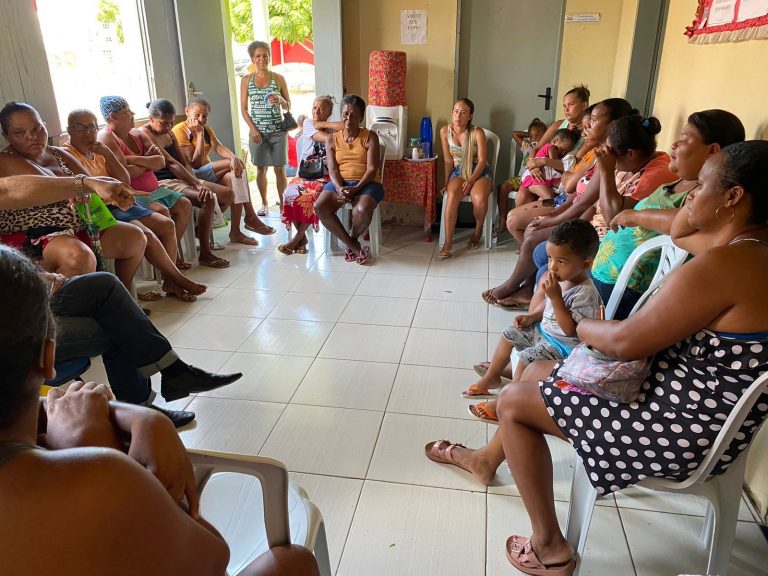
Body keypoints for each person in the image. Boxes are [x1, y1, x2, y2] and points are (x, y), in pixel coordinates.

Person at [428, 140, 768, 576]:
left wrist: (578, 326)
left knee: (513, 400)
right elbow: (683, 233)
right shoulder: (751, 252)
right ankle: (485, 460)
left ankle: (550, 548)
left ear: (734, 196)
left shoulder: (724, 266)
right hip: (701, 420)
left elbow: (624, 343)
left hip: (671, 428)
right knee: (539, 370)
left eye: (700, 185)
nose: (688, 196)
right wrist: (701, 203)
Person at [0, 246, 320, 575]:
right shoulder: (100, 476)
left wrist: (138, 415)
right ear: (48, 357)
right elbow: (211, 557)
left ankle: (159, 386)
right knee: (294, 562)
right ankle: (173, 375)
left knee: (105, 288)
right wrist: (99, 445)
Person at [483, 100, 674, 310]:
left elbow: (612, 218)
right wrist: (554, 217)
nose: (587, 127)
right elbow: (580, 196)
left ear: (629, 153)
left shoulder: (650, 172)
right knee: (539, 251)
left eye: (594, 120)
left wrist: (606, 171)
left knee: (543, 264)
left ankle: (539, 305)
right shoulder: (612, 156)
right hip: (590, 225)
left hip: (606, 240)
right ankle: (531, 296)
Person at [592, 109, 745, 318]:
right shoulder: (675, 183)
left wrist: (636, 216)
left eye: (685, 139)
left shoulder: (703, 197)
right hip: (606, 275)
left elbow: (686, 219)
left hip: (626, 289)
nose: (673, 144)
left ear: (712, 151)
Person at [0, 102, 146, 290]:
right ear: (6, 136)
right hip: (35, 233)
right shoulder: (5, 160)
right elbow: (51, 187)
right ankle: (64, 306)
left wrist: (110, 188)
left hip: (79, 223)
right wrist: (81, 186)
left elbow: (88, 181)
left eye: (37, 128)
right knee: (78, 256)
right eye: (19, 133)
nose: (31, 136)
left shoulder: (57, 153)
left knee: (134, 238)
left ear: (44, 125)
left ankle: (117, 295)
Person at [66, 108, 204, 303]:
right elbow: (92, 187)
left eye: (92, 127)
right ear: (69, 130)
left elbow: (124, 179)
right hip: (98, 210)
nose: (88, 132)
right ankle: (172, 280)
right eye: (80, 127)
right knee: (145, 234)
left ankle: (170, 282)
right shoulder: (67, 154)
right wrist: (145, 164)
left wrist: (108, 154)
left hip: (119, 203)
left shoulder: (99, 151)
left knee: (166, 224)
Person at [463, 221, 601, 410]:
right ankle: (491, 377)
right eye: (550, 258)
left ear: (585, 265)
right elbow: (548, 307)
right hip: (545, 333)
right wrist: (533, 317)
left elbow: (571, 331)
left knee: (526, 357)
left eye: (561, 262)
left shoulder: (585, 294)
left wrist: (556, 298)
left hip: (563, 347)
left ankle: (508, 402)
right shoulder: (563, 279)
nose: (552, 267)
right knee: (509, 333)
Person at [97, 96, 198, 276]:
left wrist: (133, 160)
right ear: (113, 117)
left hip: (155, 188)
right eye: (127, 112)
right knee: (162, 211)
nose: (133, 114)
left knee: (184, 204)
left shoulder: (137, 133)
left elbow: (160, 161)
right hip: (135, 194)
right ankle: (169, 271)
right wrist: (147, 162)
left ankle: (171, 260)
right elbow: (124, 175)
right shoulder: (106, 137)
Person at [140, 98, 232, 270]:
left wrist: (196, 182)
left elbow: (183, 163)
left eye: (171, 122)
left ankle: (204, 248)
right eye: (163, 123)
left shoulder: (169, 133)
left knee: (218, 194)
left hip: (180, 177)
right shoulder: (144, 133)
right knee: (206, 198)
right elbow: (171, 163)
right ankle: (197, 253)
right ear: (151, 118)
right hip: (162, 181)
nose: (168, 127)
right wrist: (196, 185)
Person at [172, 96, 276, 244]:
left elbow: (218, 146)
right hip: (191, 176)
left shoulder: (206, 129)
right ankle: (251, 216)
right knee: (235, 164)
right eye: (197, 115)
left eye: (205, 116)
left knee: (234, 177)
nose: (201, 119)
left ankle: (235, 232)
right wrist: (199, 134)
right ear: (187, 111)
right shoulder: (179, 130)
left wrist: (233, 157)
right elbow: (195, 163)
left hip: (206, 173)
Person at [504, 106, 597, 245]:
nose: (585, 132)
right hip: (539, 180)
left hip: (560, 195)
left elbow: (568, 180)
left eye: (589, 127)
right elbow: (560, 168)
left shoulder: (591, 154)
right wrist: (536, 164)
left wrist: (563, 175)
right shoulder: (553, 145)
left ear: (583, 105)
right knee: (530, 198)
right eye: (565, 105)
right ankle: (526, 242)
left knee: (536, 205)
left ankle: (527, 243)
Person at [314, 94, 383, 265]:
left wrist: (355, 189)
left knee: (361, 210)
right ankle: (354, 246)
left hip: (368, 183)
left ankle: (352, 239)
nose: (349, 118)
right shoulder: (332, 139)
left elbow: (372, 169)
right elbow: (332, 169)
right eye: (345, 114)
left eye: (354, 115)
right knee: (320, 206)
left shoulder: (370, 136)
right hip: (341, 183)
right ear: (341, 115)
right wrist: (339, 188)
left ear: (361, 117)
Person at [279, 95, 342, 255]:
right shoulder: (308, 124)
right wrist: (331, 131)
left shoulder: (331, 127)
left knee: (313, 196)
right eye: (314, 107)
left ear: (329, 112)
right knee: (289, 194)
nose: (316, 111)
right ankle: (301, 239)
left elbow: (344, 127)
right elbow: (328, 139)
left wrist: (324, 124)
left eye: (322, 109)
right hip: (305, 174)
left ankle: (297, 239)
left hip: (325, 176)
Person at [240, 40, 292, 215]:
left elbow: (288, 105)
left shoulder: (278, 78)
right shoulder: (246, 80)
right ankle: (264, 203)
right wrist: (253, 129)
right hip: (258, 133)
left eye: (265, 56)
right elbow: (244, 109)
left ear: (269, 57)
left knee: (280, 169)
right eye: (258, 56)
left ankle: (283, 206)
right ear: (252, 59)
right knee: (261, 168)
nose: (262, 59)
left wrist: (281, 100)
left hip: (278, 132)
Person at [437, 98, 493, 258]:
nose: (458, 116)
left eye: (463, 112)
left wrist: (471, 180)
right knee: (452, 194)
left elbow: (482, 160)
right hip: (458, 171)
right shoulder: (444, 131)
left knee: (479, 199)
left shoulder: (477, 132)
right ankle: (448, 242)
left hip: (479, 171)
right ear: (451, 112)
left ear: (470, 116)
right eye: (456, 111)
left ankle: (478, 230)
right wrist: (445, 183)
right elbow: (448, 160)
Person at [494, 117, 549, 234]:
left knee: (528, 196)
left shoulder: (547, 148)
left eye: (538, 135)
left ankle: (522, 223)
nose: (534, 138)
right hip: (520, 179)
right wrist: (529, 135)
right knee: (502, 187)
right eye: (532, 136)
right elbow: (515, 134)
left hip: (534, 179)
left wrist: (541, 138)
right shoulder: (527, 146)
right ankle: (503, 219)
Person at [515, 128, 579, 204]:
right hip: (535, 179)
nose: (563, 153)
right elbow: (554, 162)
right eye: (562, 149)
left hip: (540, 180)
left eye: (565, 151)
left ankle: (535, 211)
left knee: (546, 199)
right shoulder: (551, 147)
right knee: (549, 197)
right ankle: (544, 210)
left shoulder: (555, 150)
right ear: (555, 141)